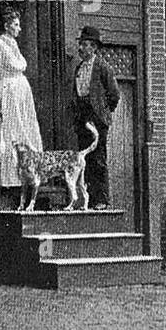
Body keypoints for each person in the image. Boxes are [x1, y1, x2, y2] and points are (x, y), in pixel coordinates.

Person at [71, 25, 121, 209]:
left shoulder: (102, 67)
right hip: (83, 119)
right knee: (84, 160)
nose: (81, 48)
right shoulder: (79, 68)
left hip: (97, 120)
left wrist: (102, 114)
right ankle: (88, 199)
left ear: (93, 47)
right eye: (81, 44)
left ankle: (102, 200)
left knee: (98, 159)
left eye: (85, 45)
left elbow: (114, 95)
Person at [0, 7, 42, 199]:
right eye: (15, 25)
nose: (19, 28)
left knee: (26, 129)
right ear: (6, 26)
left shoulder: (13, 44)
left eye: (19, 24)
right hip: (9, 94)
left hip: (22, 95)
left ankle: (30, 175)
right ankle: (12, 179)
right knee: (12, 132)